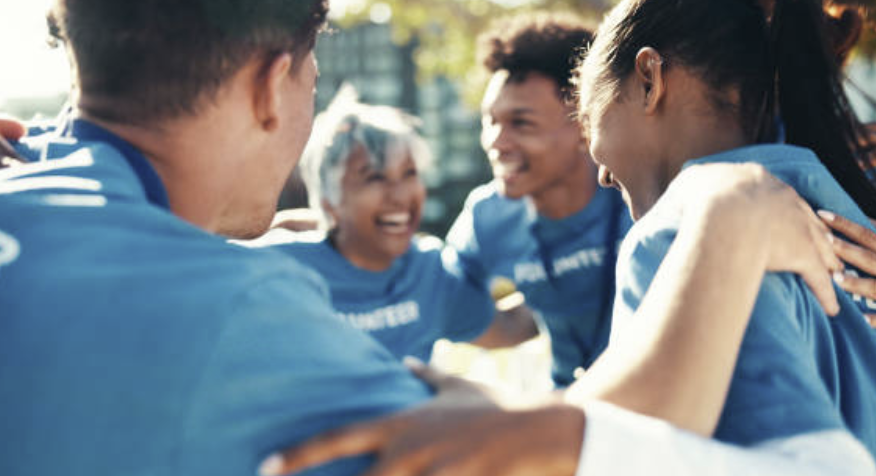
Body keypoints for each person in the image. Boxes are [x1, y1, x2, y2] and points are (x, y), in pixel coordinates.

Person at [575, 0, 876, 458]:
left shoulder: (683, 236)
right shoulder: (849, 223)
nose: (601, 175)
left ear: (648, 80)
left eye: (593, 130)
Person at [242, 87, 522, 362]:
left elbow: (509, 327)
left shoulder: (428, 270)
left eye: (409, 173)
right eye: (374, 177)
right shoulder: (279, 267)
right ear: (329, 200)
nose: (399, 195)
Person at [445, 15, 633, 386]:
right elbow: (448, 305)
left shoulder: (638, 194)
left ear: (585, 124)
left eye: (521, 123)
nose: (496, 142)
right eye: (490, 121)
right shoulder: (488, 216)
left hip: (657, 410)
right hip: (566, 407)